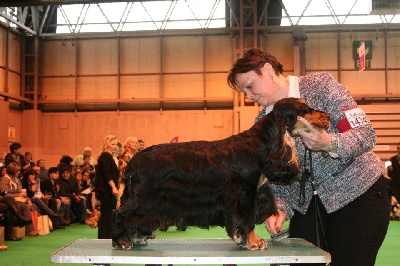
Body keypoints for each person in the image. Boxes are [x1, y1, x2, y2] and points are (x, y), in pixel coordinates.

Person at [227, 48, 390, 266]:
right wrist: (279, 207)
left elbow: (366, 135)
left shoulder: (321, 86)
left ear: (267, 70)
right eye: (244, 92)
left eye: (249, 86)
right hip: (307, 207)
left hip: (359, 196)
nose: (249, 96)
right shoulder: (262, 122)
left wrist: (330, 143)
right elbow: (275, 175)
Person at [0, 163, 38, 236]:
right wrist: (16, 194)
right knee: (25, 206)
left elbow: (21, 192)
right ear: (13, 171)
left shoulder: (17, 180)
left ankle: (32, 227)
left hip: (19, 199)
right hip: (9, 200)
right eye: (18, 171)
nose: (19, 172)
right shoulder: (4, 180)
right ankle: (29, 230)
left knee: (32, 205)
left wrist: (27, 199)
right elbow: (4, 192)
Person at [94, 135, 119, 239]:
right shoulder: (105, 155)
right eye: (112, 144)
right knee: (106, 215)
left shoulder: (108, 156)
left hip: (107, 190)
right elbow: (106, 173)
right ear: (106, 144)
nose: (115, 146)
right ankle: (104, 237)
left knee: (108, 214)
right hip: (106, 190)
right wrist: (113, 186)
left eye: (115, 144)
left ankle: (107, 236)